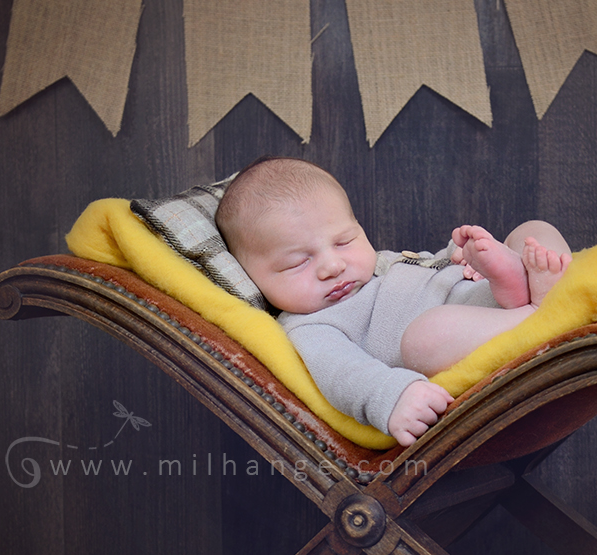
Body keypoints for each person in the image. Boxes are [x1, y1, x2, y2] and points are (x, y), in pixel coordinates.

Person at [215, 156, 573, 445]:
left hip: (480, 294)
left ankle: (529, 283)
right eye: (298, 262)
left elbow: (426, 267)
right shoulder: (309, 326)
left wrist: (466, 259)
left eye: (344, 241)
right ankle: (537, 310)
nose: (333, 266)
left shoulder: (380, 264)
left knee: (533, 231)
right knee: (424, 339)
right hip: (462, 337)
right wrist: (392, 397)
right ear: (251, 276)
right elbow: (344, 374)